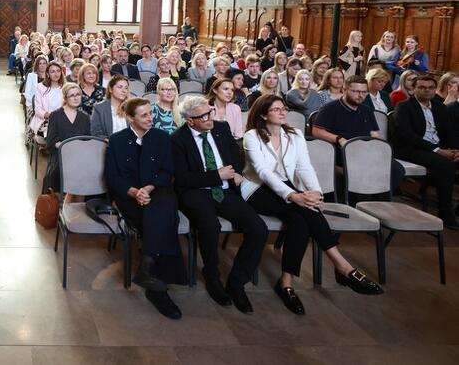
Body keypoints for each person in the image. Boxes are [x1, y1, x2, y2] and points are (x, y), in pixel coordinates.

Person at [242, 94, 383, 315]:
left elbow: (304, 167)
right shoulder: (252, 136)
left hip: (285, 185)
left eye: (283, 108)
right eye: (276, 109)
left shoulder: (295, 134)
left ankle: (286, 282)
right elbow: (263, 172)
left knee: (300, 218)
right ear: (262, 114)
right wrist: (293, 196)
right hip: (256, 189)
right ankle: (341, 266)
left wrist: (315, 192)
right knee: (302, 210)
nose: (282, 112)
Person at [171, 95, 265, 314]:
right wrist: (216, 175)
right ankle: (212, 276)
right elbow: (182, 179)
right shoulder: (177, 139)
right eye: (202, 116)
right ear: (189, 120)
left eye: (209, 112)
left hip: (224, 190)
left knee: (258, 228)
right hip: (196, 193)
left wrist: (230, 174)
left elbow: (236, 159)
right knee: (210, 226)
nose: (209, 118)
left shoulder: (221, 129)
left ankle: (237, 281)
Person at [105, 98, 187, 319]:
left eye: (151, 113)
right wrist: (134, 192)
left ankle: (147, 267)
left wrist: (148, 188)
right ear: (130, 118)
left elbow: (168, 171)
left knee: (165, 206)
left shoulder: (161, 138)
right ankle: (157, 287)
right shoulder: (117, 140)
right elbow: (112, 177)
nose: (150, 118)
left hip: (157, 189)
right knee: (164, 220)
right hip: (129, 195)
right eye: (144, 115)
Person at [312, 75, 404, 197]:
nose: (360, 95)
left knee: (396, 169)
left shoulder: (367, 110)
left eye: (364, 92)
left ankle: (378, 198)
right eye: (356, 91)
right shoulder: (331, 108)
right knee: (364, 169)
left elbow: (374, 134)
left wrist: (381, 148)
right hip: (342, 151)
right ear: (345, 90)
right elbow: (317, 131)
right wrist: (339, 138)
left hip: (366, 151)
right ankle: (363, 199)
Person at [391, 74, 459, 229]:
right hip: (412, 149)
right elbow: (407, 136)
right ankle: (445, 213)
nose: (426, 91)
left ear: (435, 89)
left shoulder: (439, 106)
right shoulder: (404, 106)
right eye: (422, 87)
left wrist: (455, 150)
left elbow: (448, 132)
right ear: (414, 89)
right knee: (446, 165)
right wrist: (438, 151)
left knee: (450, 161)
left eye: (430, 88)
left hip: (437, 148)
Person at [43, 83, 91, 197]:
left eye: (78, 94)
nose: (75, 98)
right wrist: (61, 145)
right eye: (72, 95)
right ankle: (60, 205)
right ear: (65, 98)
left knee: (87, 174)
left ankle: (75, 208)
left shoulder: (84, 117)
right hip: (60, 157)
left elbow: (87, 141)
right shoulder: (55, 115)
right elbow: (50, 142)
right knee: (60, 172)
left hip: (79, 158)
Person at [29, 61, 64, 136]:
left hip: (62, 120)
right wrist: (47, 115)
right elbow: (37, 108)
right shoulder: (40, 87)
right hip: (45, 120)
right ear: (48, 74)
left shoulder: (65, 88)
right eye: (52, 72)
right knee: (53, 133)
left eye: (58, 71)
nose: (56, 74)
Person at [90, 74, 130, 140]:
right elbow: (96, 133)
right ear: (110, 89)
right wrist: (110, 143)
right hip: (108, 147)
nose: (124, 90)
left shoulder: (131, 107)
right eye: (120, 87)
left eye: (126, 88)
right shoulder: (99, 108)